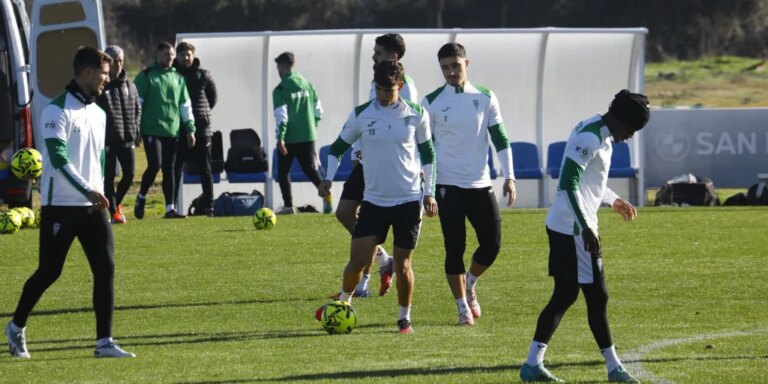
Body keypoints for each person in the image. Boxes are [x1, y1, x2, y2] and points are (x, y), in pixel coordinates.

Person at [4, 47, 134, 358]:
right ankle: (16, 327)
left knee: (106, 268)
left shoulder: (98, 113)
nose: (107, 78)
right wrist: (88, 189)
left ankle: (104, 342)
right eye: (104, 73)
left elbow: (100, 159)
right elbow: (59, 158)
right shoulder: (55, 111)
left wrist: (103, 192)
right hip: (61, 205)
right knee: (49, 272)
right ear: (87, 73)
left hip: (93, 206)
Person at [519, 89, 649, 383]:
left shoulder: (597, 131)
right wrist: (586, 227)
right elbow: (567, 183)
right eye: (632, 129)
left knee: (566, 294)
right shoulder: (590, 137)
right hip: (574, 228)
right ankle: (614, 368)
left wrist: (613, 199)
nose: (630, 135)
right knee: (596, 296)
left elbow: (589, 181)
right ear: (621, 119)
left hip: (569, 224)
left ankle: (532, 364)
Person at [317, 60, 437, 334]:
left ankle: (404, 318)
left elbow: (429, 155)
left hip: (408, 200)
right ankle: (343, 307)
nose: (384, 95)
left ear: (401, 87)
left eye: (390, 90)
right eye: (380, 89)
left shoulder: (417, 114)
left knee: (404, 264)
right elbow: (337, 148)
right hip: (373, 201)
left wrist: (429, 192)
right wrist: (328, 178)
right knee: (357, 260)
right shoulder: (362, 114)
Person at [421, 42, 517, 326]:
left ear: (467, 63)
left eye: (455, 65)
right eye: (445, 67)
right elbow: (423, 146)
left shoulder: (486, 97)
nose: (451, 72)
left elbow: (500, 139)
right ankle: (462, 306)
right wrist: (427, 187)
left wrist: (509, 176)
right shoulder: (432, 102)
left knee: (492, 244)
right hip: (447, 186)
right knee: (455, 248)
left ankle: (471, 284)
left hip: (480, 183)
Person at [334, 33, 418, 298]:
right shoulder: (376, 81)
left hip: (386, 170)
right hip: (366, 161)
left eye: (378, 51)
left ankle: (365, 282)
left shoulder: (405, 88)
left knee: (350, 213)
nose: (373, 55)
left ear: (393, 56)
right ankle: (380, 263)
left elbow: (407, 130)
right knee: (346, 212)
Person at [133, 42, 195, 219]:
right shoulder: (146, 76)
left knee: (170, 169)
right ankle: (142, 195)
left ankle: (170, 208)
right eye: (167, 54)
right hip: (151, 129)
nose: (170, 58)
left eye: (172, 55)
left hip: (172, 130)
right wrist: (136, 129)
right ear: (157, 55)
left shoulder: (178, 78)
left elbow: (185, 106)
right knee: (155, 164)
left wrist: (190, 129)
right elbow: (137, 105)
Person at [272, 51, 326, 215]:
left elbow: (282, 116)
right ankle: (327, 196)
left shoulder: (280, 89)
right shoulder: (308, 85)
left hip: (289, 137)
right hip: (308, 135)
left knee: (283, 172)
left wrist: (281, 137)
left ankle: (289, 206)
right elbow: (319, 112)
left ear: (282, 66)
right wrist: (310, 127)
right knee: (310, 169)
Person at [96, 45, 141, 225]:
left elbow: (137, 108)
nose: (119, 64)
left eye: (121, 60)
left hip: (127, 138)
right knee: (108, 178)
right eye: (115, 60)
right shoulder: (102, 85)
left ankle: (117, 203)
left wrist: (137, 130)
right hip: (107, 141)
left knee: (129, 175)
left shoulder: (130, 84)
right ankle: (113, 211)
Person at [172, 42, 218, 216]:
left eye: (188, 54)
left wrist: (200, 115)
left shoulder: (204, 75)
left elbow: (212, 100)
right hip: (178, 129)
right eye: (182, 54)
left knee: (205, 169)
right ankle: (172, 206)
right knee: (176, 169)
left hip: (202, 129)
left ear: (194, 55)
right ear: (177, 56)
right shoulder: (173, 76)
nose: (185, 57)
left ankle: (209, 206)